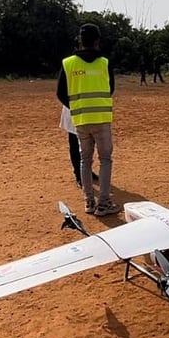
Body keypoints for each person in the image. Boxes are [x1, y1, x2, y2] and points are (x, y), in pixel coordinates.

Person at [57, 23, 119, 216]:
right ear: (97, 41)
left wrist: (77, 106)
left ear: (80, 41)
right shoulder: (104, 63)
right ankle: (104, 203)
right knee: (105, 159)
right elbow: (110, 89)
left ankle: (89, 202)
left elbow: (60, 93)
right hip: (101, 118)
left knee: (85, 160)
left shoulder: (68, 63)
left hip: (81, 120)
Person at [60, 105, 99, 188]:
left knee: (89, 143)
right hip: (74, 111)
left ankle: (87, 171)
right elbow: (61, 97)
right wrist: (72, 105)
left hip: (90, 111)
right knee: (75, 144)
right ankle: (78, 174)